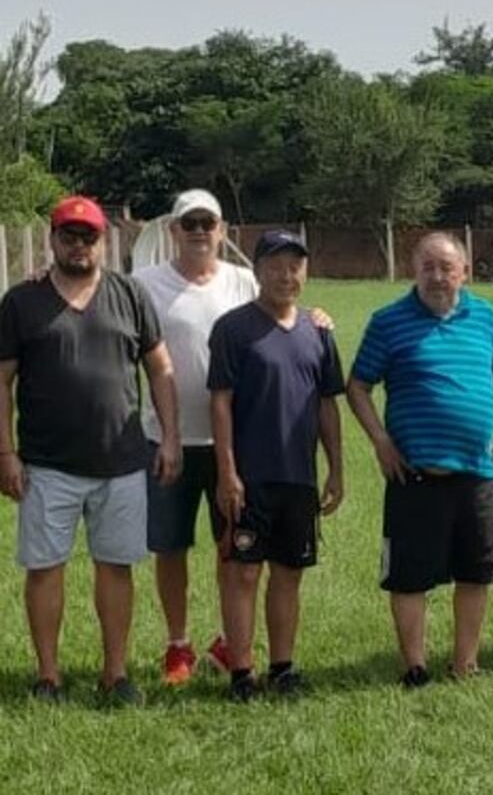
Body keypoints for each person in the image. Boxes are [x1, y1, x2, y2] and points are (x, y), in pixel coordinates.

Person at [0, 195, 181, 704]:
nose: (79, 245)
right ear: (53, 239)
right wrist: (5, 453)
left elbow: (161, 368)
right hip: (45, 464)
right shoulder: (21, 302)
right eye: (70, 235)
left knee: (116, 567)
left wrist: (169, 436)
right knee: (44, 569)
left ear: (104, 241)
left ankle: (115, 674)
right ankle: (48, 677)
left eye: (89, 236)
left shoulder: (130, 294)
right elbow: (2, 381)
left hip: (121, 461)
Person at [347, 231, 493, 688]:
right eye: (428, 267)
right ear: (414, 271)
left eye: (447, 267)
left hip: (478, 472)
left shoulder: (486, 316)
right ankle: (415, 667)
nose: (438, 276)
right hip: (414, 474)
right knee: (409, 577)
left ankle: (465, 664)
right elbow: (358, 385)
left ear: (465, 271)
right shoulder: (389, 322)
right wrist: (380, 440)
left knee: (476, 573)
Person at [208, 229, 344, 702]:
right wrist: (227, 472)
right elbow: (220, 402)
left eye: (295, 266)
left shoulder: (318, 332)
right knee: (244, 573)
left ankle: (282, 668)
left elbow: (327, 404)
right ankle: (242, 673)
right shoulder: (233, 329)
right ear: (258, 271)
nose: (286, 276)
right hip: (250, 478)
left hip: (298, 478)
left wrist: (336, 468)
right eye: (276, 266)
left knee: (289, 573)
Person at [132, 189, 258, 684]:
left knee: (232, 546)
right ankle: (178, 644)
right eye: (190, 223)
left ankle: (230, 640)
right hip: (166, 441)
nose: (200, 231)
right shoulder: (144, 285)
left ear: (222, 231)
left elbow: (279, 318)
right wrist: (42, 277)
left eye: (208, 223)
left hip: (232, 443)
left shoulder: (243, 281)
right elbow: (94, 296)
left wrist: (317, 317)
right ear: (174, 231)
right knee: (170, 547)